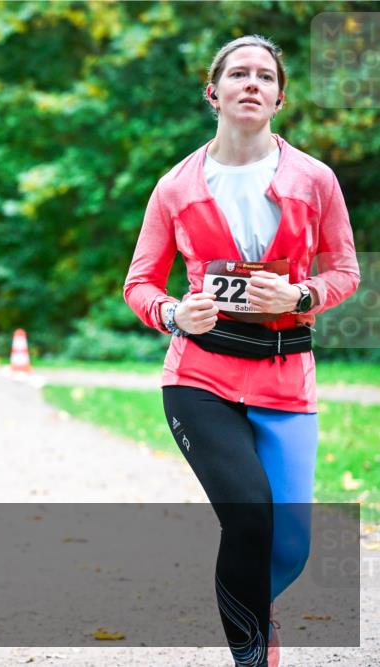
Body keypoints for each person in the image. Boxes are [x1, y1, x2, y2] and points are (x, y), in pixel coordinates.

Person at [123, 35, 359, 667]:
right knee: (250, 517)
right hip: (200, 378)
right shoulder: (175, 186)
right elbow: (139, 282)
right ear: (214, 92)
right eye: (237, 74)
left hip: (286, 379)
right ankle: (253, 652)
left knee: (291, 547)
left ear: (279, 96)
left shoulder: (314, 179)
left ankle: (251, 602)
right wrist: (175, 312)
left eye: (264, 76)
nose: (251, 83)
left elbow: (346, 271)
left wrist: (300, 292)